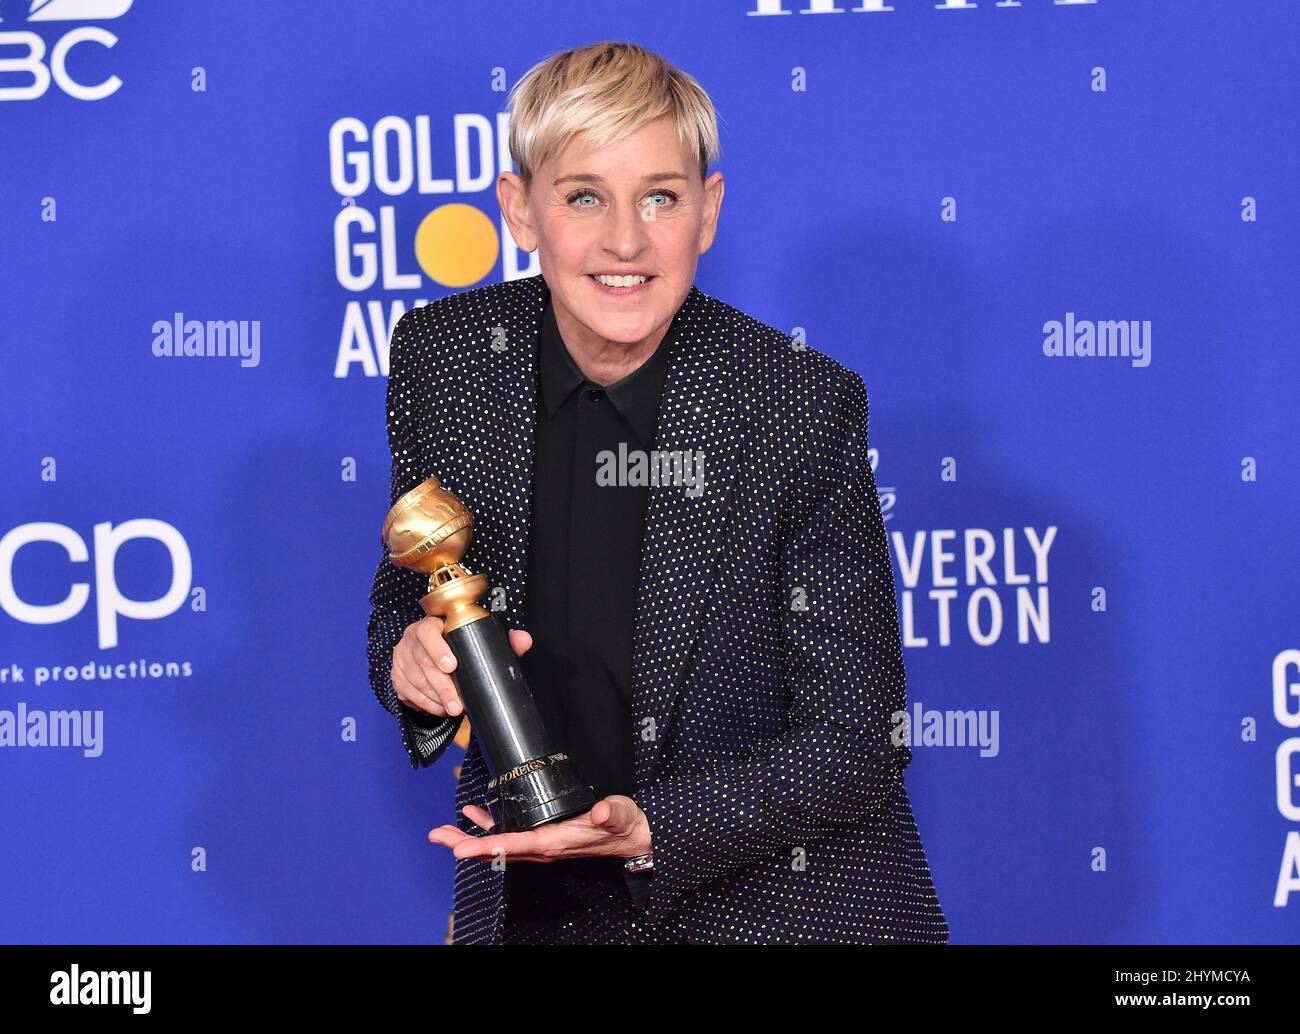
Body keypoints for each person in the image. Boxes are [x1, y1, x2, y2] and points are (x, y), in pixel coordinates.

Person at [366, 40, 949, 944]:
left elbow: (858, 736)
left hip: (772, 916)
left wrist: (655, 828)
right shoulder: (446, 360)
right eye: (584, 196)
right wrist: (411, 672)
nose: (625, 241)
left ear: (707, 213)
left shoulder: (796, 401)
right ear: (520, 210)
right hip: (534, 915)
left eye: (661, 198)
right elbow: (409, 596)